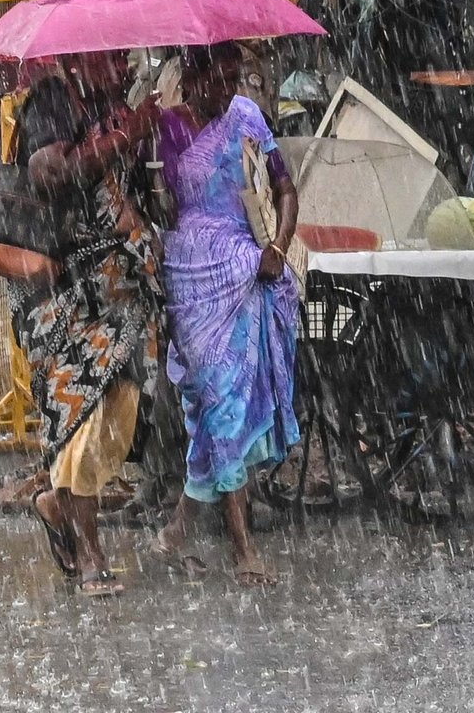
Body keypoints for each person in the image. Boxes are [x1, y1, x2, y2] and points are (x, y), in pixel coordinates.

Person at [150, 43, 300, 586]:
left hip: (248, 272)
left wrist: (277, 249)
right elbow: (165, 206)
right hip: (192, 280)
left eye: (237, 79)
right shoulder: (165, 128)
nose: (231, 89)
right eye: (221, 78)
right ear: (191, 77)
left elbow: (284, 187)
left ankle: (193, 533)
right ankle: (238, 548)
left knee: (227, 408)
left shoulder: (248, 118)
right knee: (215, 405)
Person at [19, 57, 163, 597]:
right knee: (81, 419)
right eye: (115, 50)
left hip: (124, 294)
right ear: (84, 55)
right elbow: (51, 172)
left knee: (117, 419)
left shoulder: (115, 106)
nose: (126, 59)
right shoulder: (53, 102)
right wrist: (124, 136)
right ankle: (89, 553)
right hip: (69, 297)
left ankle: (58, 504)